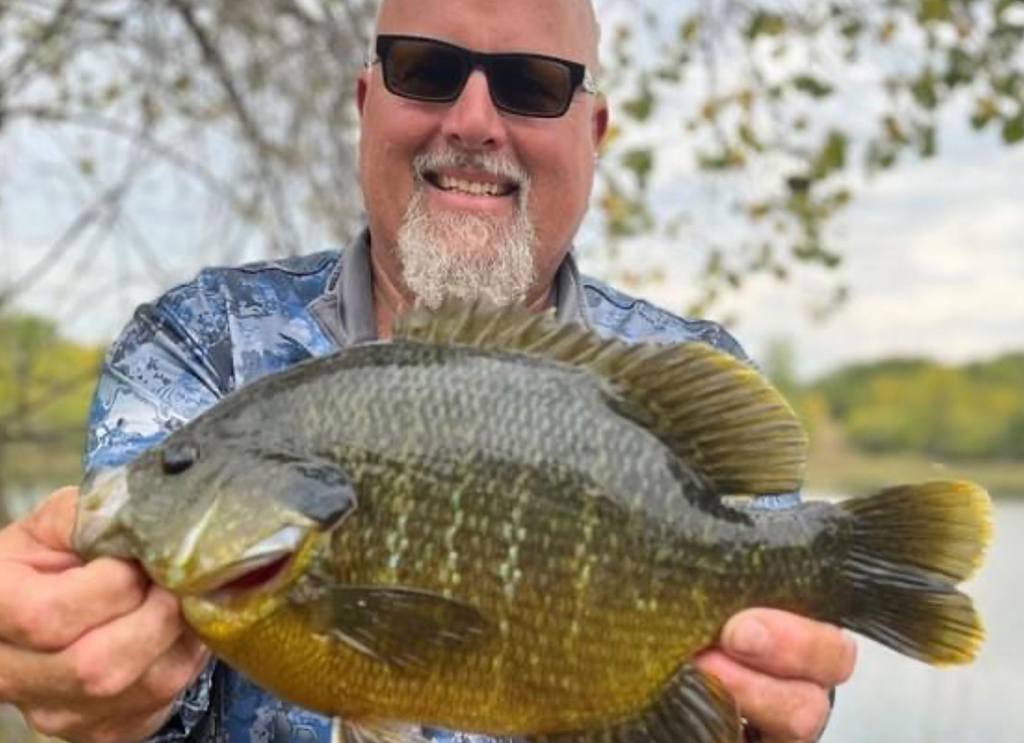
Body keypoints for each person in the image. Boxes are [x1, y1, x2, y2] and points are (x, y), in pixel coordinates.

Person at [0, 1, 857, 742]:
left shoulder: (685, 375)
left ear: (591, 133)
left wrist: (757, 714)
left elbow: (746, 687)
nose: (475, 121)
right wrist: (91, 676)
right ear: (367, 101)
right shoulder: (199, 347)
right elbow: (133, 680)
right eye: (427, 69)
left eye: (532, 83)